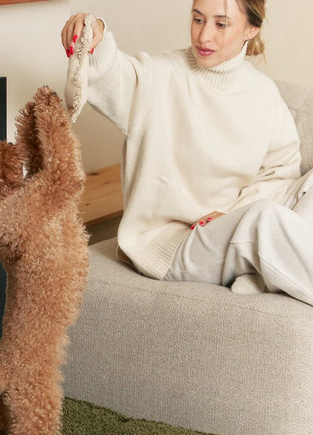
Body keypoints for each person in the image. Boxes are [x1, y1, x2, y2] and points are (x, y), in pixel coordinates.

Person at [61, 0, 313, 306]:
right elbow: (113, 74)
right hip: (175, 243)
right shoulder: (160, 75)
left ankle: (264, 271)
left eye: (220, 24)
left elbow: (281, 172)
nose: (204, 36)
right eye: (197, 20)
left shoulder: (263, 93)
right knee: (264, 220)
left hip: (229, 225)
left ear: (250, 28)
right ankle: (271, 267)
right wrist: (95, 33)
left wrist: (233, 214)